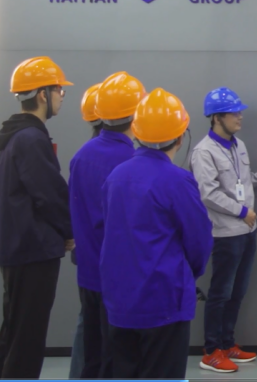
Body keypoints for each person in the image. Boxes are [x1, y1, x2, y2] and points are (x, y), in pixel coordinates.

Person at [101, 88, 213, 380]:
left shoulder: (116, 176)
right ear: (181, 137)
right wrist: (188, 275)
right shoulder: (177, 180)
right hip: (164, 300)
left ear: (136, 134)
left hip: (120, 301)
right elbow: (199, 241)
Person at [189, 87, 257, 374]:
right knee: (220, 293)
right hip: (225, 234)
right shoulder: (203, 152)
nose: (240, 117)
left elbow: (243, 183)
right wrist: (242, 212)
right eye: (234, 113)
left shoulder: (239, 145)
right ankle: (211, 351)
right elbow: (208, 194)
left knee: (237, 292)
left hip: (248, 232)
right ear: (217, 117)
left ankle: (227, 344)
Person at [0, 56, 75, 379]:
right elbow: (49, 194)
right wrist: (69, 230)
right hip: (32, 250)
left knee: (14, 331)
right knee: (28, 338)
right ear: (42, 95)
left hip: (18, 248)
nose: (62, 96)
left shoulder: (17, 135)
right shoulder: (31, 139)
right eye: (59, 90)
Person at [67, 72, 145, 379]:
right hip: (121, 280)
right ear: (136, 115)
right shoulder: (133, 162)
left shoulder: (81, 156)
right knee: (120, 362)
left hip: (88, 274)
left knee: (92, 357)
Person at [68, 81, 101, 380]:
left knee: (87, 327)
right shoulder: (122, 159)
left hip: (87, 261)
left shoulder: (82, 156)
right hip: (110, 267)